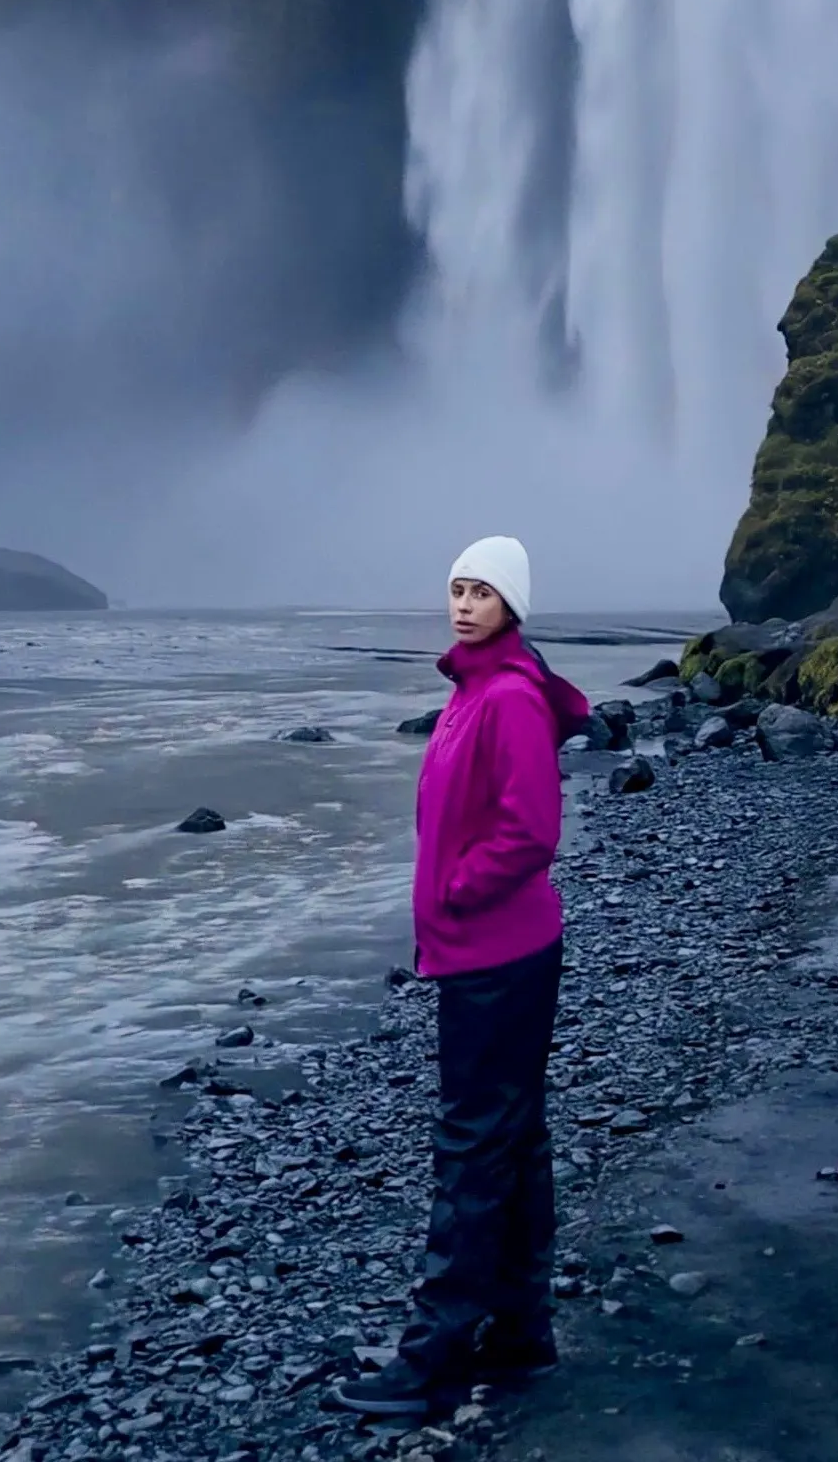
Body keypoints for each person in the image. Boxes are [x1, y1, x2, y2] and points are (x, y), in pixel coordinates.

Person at [339, 536, 591, 1427]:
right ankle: (520, 1334)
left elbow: (531, 832)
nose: (464, 603)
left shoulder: (510, 699)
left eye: (482, 591)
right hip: (490, 950)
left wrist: (454, 890)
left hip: (497, 953)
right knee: (513, 1140)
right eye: (456, 588)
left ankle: (434, 1358)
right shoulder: (473, 689)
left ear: (512, 606)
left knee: (472, 1145)